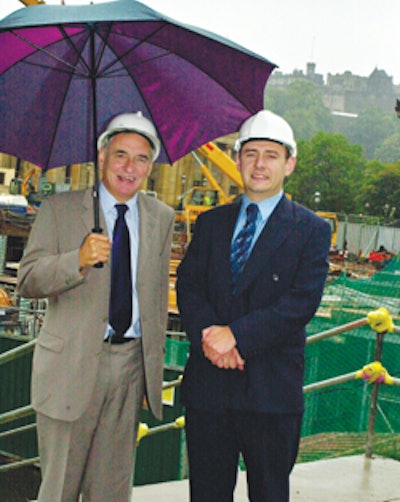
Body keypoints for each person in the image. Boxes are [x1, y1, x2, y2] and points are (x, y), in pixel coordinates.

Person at [17, 112, 174, 501]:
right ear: (101, 157)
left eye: (140, 158)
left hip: (129, 370)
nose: (129, 167)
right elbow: (28, 280)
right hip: (70, 369)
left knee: (111, 490)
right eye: (121, 154)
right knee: (60, 490)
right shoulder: (60, 209)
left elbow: (153, 300)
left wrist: (148, 372)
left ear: (150, 167)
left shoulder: (161, 218)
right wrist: (77, 260)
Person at [176, 110, 331, 502]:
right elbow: (190, 287)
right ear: (239, 158)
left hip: (270, 393)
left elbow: (300, 302)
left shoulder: (311, 230)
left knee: (269, 493)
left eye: (271, 155)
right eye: (250, 153)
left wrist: (237, 338)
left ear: (289, 164)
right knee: (207, 494)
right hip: (209, 391)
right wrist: (212, 337)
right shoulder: (211, 223)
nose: (259, 164)